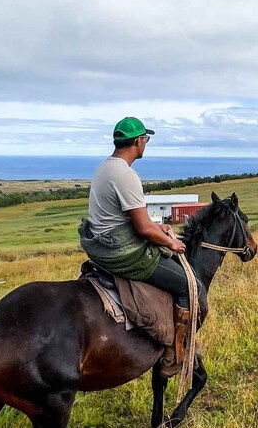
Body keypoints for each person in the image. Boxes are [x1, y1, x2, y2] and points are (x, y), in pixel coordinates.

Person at [78, 116, 198, 367]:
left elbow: (131, 219)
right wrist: (170, 243)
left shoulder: (105, 168)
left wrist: (159, 227)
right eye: (146, 139)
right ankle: (175, 353)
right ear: (139, 141)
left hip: (100, 247)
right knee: (187, 284)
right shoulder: (125, 175)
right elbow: (143, 229)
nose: (146, 143)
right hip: (123, 253)